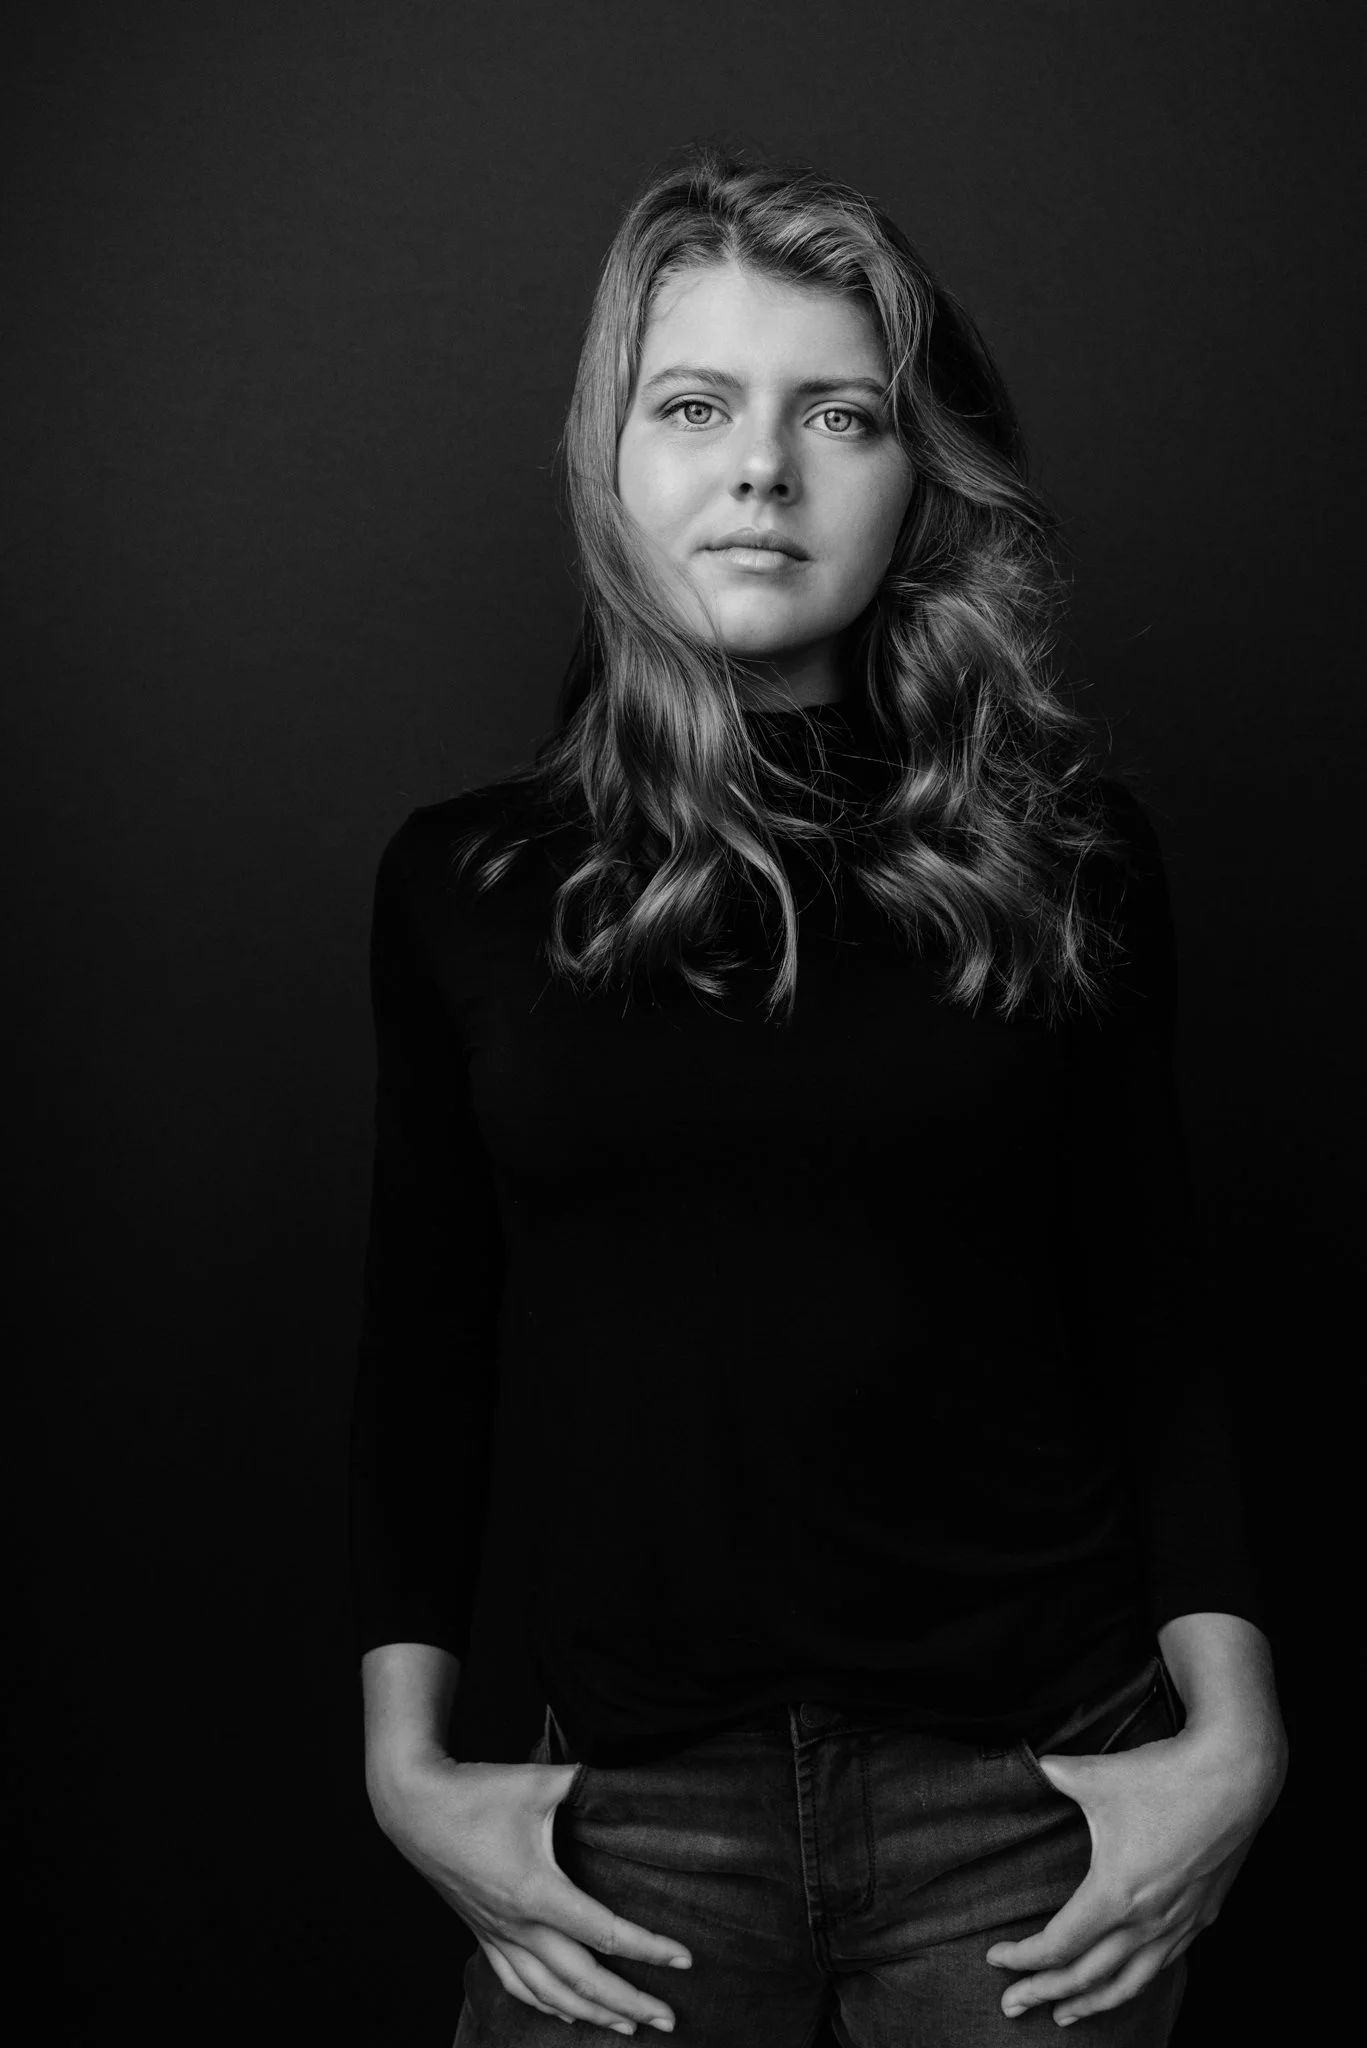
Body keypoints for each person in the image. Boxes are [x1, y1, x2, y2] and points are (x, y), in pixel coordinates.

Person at [350, 149, 1287, 2047]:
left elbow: (1157, 1307)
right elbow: (424, 1342)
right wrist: (404, 1767)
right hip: (622, 1824)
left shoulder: (1066, 853)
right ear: (608, 453)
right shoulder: (464, 880)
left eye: (835, 414)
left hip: (1029, 1810)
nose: (759, 468)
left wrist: (1235, 1736)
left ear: (915, 469)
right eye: (692, 405)